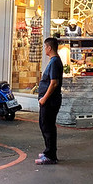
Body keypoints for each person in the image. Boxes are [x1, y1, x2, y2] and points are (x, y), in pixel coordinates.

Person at [36, 37, 63, 165]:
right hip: (49, 101)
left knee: (47, 127)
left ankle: (50, 155)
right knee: (45, 125)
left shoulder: (55, 62)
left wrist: (44, 99)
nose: (44, 49)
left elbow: (54, 83)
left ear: (49, 48)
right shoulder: (54, 61)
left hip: (50, 101)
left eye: (45, 47)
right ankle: (48, 152)